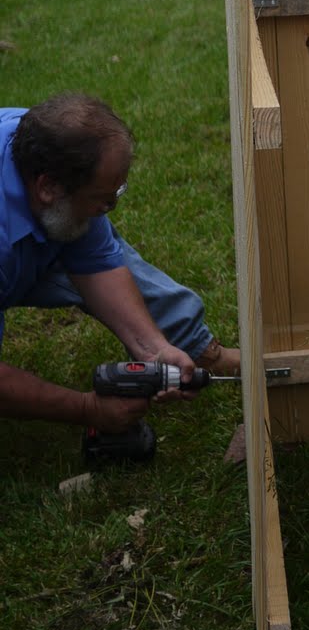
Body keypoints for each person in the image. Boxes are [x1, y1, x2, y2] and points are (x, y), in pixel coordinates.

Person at [0, 93, 239, 434]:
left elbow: (97, 263)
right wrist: (87, 408)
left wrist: (154, 350)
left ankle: (196, 348)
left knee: (80, 226)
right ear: (48, 187)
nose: (112, 206)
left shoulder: (54, 151)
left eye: (118, 191)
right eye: (103, 196)